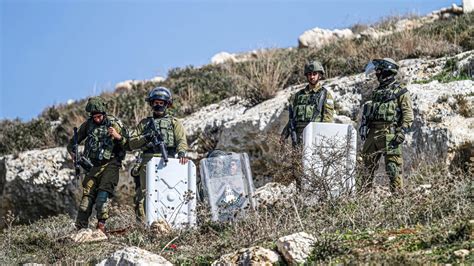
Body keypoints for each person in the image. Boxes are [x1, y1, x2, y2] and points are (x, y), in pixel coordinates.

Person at [127, 86, 189, 222]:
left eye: (161, 103)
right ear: (151, 104)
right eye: (156, 103)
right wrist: (146, 137)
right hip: (147, 160)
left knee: (169, 191)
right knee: (146, 193)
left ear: (167, 104)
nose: (158, 105)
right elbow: (131, 143)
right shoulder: (144, 124)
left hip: (168, 160)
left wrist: (182, 153)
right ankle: (147, 224)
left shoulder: (174, 122)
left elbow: (181, 140)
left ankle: (170, 221)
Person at [67, 96, 128, 232]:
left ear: (104, 114)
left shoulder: (115, 123)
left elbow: (129, 143)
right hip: (92, 167)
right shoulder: (88, 125)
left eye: (99, 116)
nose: (97, 119)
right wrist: (73, 155)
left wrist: (118, 137)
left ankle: (101, 227)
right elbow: (72, 144)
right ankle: (80, 228)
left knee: (102, 198)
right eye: (94, 117)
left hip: (111, 164)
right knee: (85, 202)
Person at [359, 58, 414, 193]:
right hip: (372, 134)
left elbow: (408, 115)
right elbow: (369, 112)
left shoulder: (400, 91)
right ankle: (363, 198)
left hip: (389, 133)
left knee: (393, 168)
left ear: (387, 72)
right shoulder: (377, 92)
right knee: (365, 167)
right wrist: (364, 125)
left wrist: (402, 131)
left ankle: (397, 201)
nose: (377, 73)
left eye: (379, 70)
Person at [280, 60, 335, 145]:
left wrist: (322, 139)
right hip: (298, 137)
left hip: (315, 136)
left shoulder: (325, 95)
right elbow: (293, 119)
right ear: (306, 76)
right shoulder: (298, 95)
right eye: (309, 74)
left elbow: (327, 120)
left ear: (320, 75)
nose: (312, 77)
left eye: (314, 74)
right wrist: (284, 134)